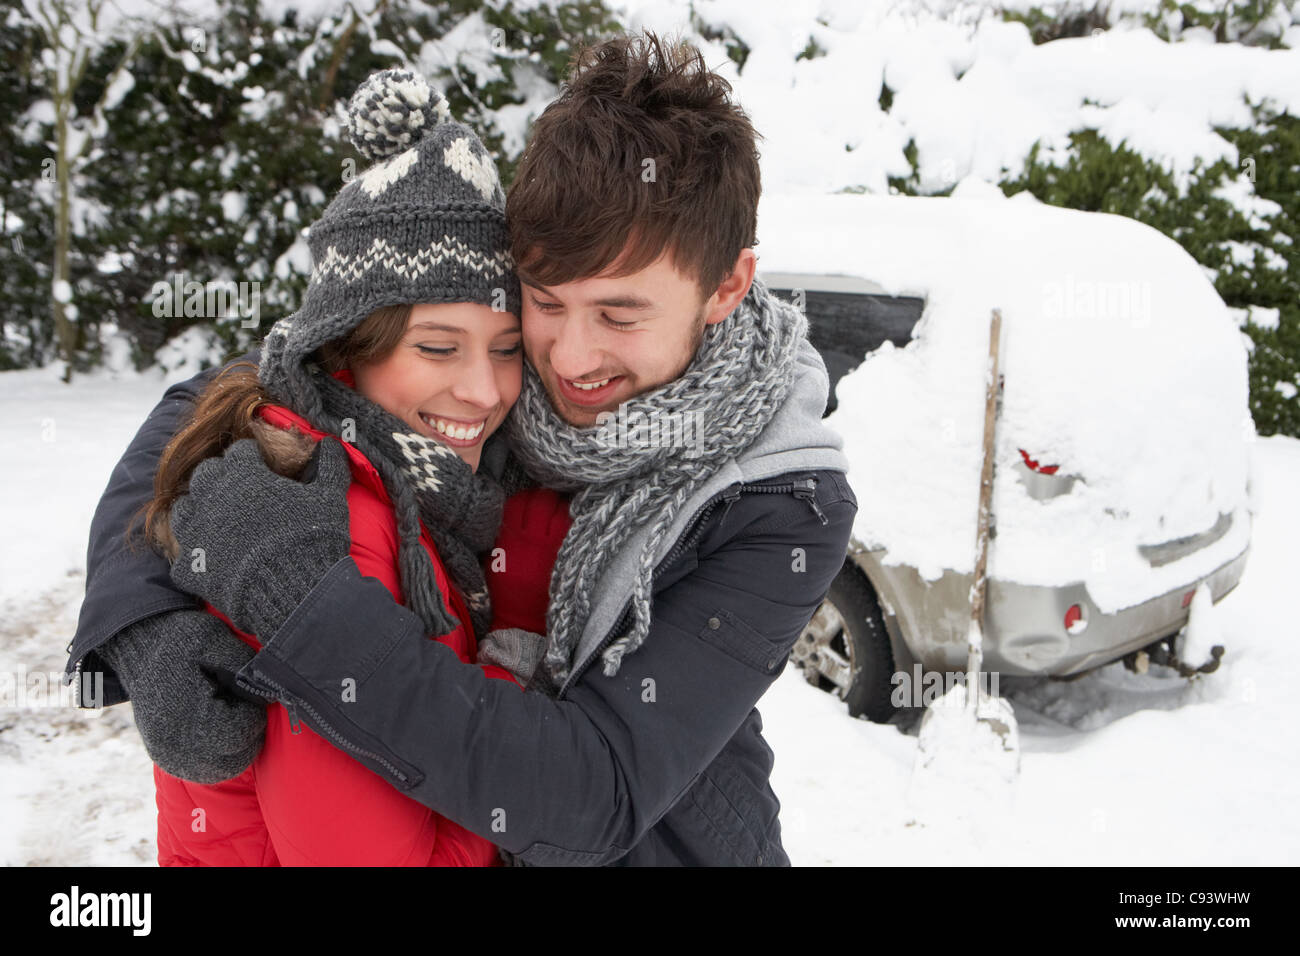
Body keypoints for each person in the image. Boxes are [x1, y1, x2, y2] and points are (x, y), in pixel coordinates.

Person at [66, 32, 859, 866]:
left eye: (620, 316)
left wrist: (296, 601)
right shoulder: (502, 381)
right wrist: (147, 617)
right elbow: (235, 399)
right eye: (544, 304)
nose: (573, 358)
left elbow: (594, 795)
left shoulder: (780, 501)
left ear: (726, 287)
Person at [106, 70, 529, 865]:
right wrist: (512, 686)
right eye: (437, 346)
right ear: (345, 349)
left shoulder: (402, 484)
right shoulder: (315, 534)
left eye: (507, 351)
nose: (482, 390)